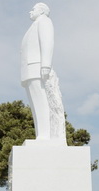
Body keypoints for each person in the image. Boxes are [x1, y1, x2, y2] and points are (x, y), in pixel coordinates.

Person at [20, 3, 66, 143]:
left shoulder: (44, 22)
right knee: (35, 104)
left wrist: (46, 64)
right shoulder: (34, 25)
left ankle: (45, 135)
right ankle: (41, 134)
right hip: (30, 69)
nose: (30, 11)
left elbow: (47, 42)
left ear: (41, 11)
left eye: (33, 9)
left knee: (42, 102)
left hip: (37, 67)